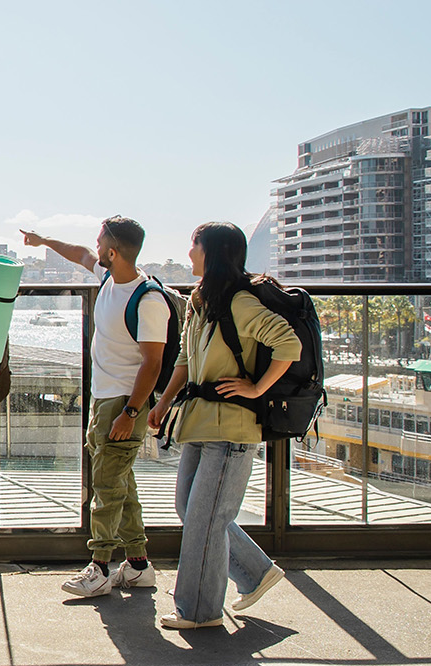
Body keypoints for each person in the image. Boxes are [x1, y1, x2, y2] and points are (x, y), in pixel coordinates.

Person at [148, 222, 297, 629]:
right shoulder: (201, 300)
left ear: (210, 252)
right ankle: (255, 572)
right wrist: (162, 403)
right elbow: (183, 358)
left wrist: (255, 388)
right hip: (198, 422)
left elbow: (288, 344)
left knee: (205, 518)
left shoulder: (239, 302)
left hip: (231, 428)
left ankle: (198, 612)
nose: (189, 252)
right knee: (190, 509)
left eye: (193, 245)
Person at [22, 217, 170, 598]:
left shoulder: (147, 299)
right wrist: (43, 241)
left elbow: (152, 363)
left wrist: (131, 412)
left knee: (105, 487)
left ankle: (100, 566)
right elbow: (79, 253)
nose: (95, 245)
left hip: (123, 404)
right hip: (104, 401)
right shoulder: (108, 281)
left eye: (100, 240)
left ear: (114, 251)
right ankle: (138, 566)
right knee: (121, 484)